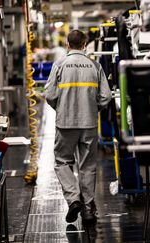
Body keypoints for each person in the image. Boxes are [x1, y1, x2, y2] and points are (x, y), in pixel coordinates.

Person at [45, 30, 111, 224]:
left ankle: (74, 199)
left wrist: (62, 107)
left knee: (62, 162)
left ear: (68, 44)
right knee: (88, 166)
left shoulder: (59, 65)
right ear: (84, 44)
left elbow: (49, 95)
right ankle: (89, 209)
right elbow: (106, 97)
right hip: (89, 123)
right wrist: (93, 108)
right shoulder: (95, 65)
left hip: (65, 123)